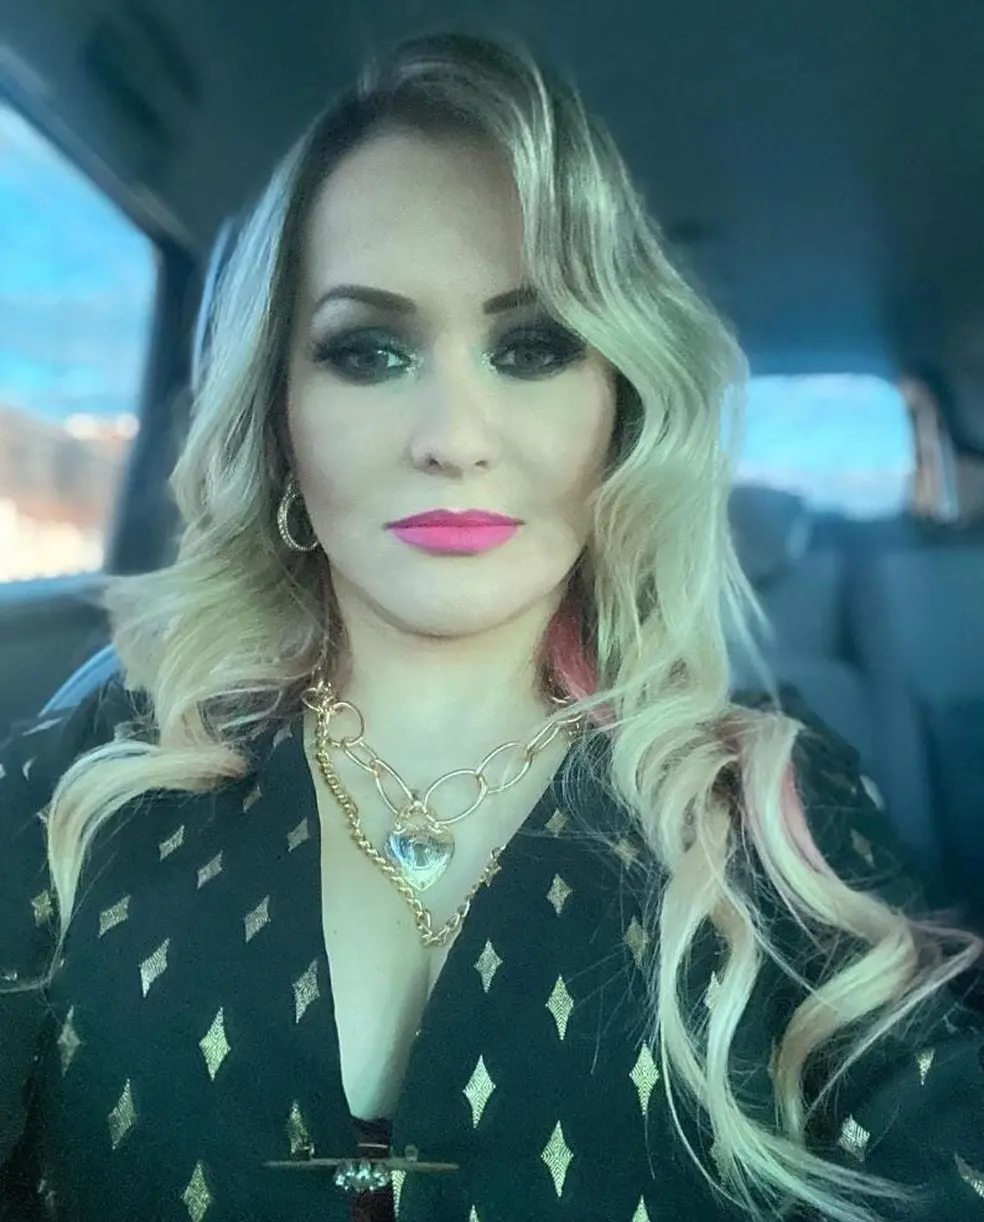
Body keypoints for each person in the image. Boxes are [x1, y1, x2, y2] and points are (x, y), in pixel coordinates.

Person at [2, 30, 984, 1222]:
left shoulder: (771, 805)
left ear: (617, 408)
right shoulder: (91, 774)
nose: (454, 437)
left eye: (533, 346)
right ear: (279, 415)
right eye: (369, 352)